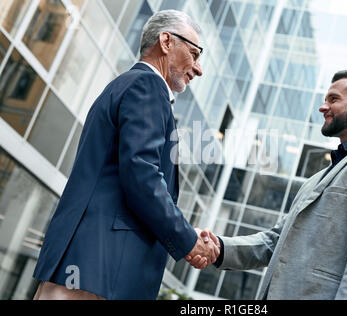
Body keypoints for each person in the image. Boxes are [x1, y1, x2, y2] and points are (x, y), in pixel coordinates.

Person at [32, 10, 219, 300]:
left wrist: (186, 232)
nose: (198, 68)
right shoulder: (147, 86)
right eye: (194, 54)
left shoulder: (130, 85)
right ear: (166, 42)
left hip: (91, 268)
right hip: (96, 270)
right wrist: (187, 240)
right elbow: (142, 177)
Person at [193, 70, 347, 300]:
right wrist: (218, 248)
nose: (323, 107)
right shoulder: (316, 180)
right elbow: (276, 241)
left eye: (333, 99)